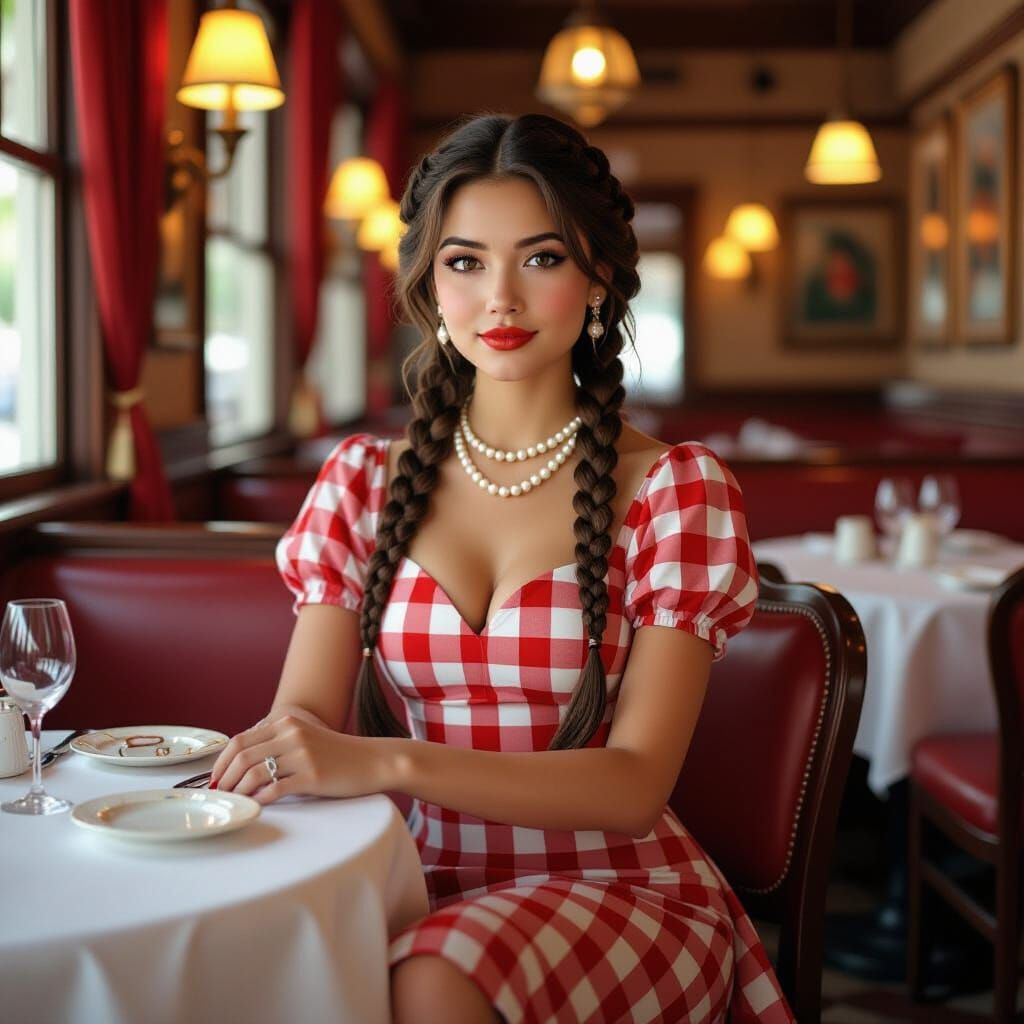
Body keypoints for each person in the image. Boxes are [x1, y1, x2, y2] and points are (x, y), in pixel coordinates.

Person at [210, 113, 793, 1024]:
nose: (501, 300)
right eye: (466, 262)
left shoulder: (675, 490)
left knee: (431, 978)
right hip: (405, 874)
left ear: (598, 279)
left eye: (542, 259)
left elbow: (634, 785)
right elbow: (304, 722)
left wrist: (390, 762)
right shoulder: (363, 483)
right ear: (430, 284)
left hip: (619, 892)